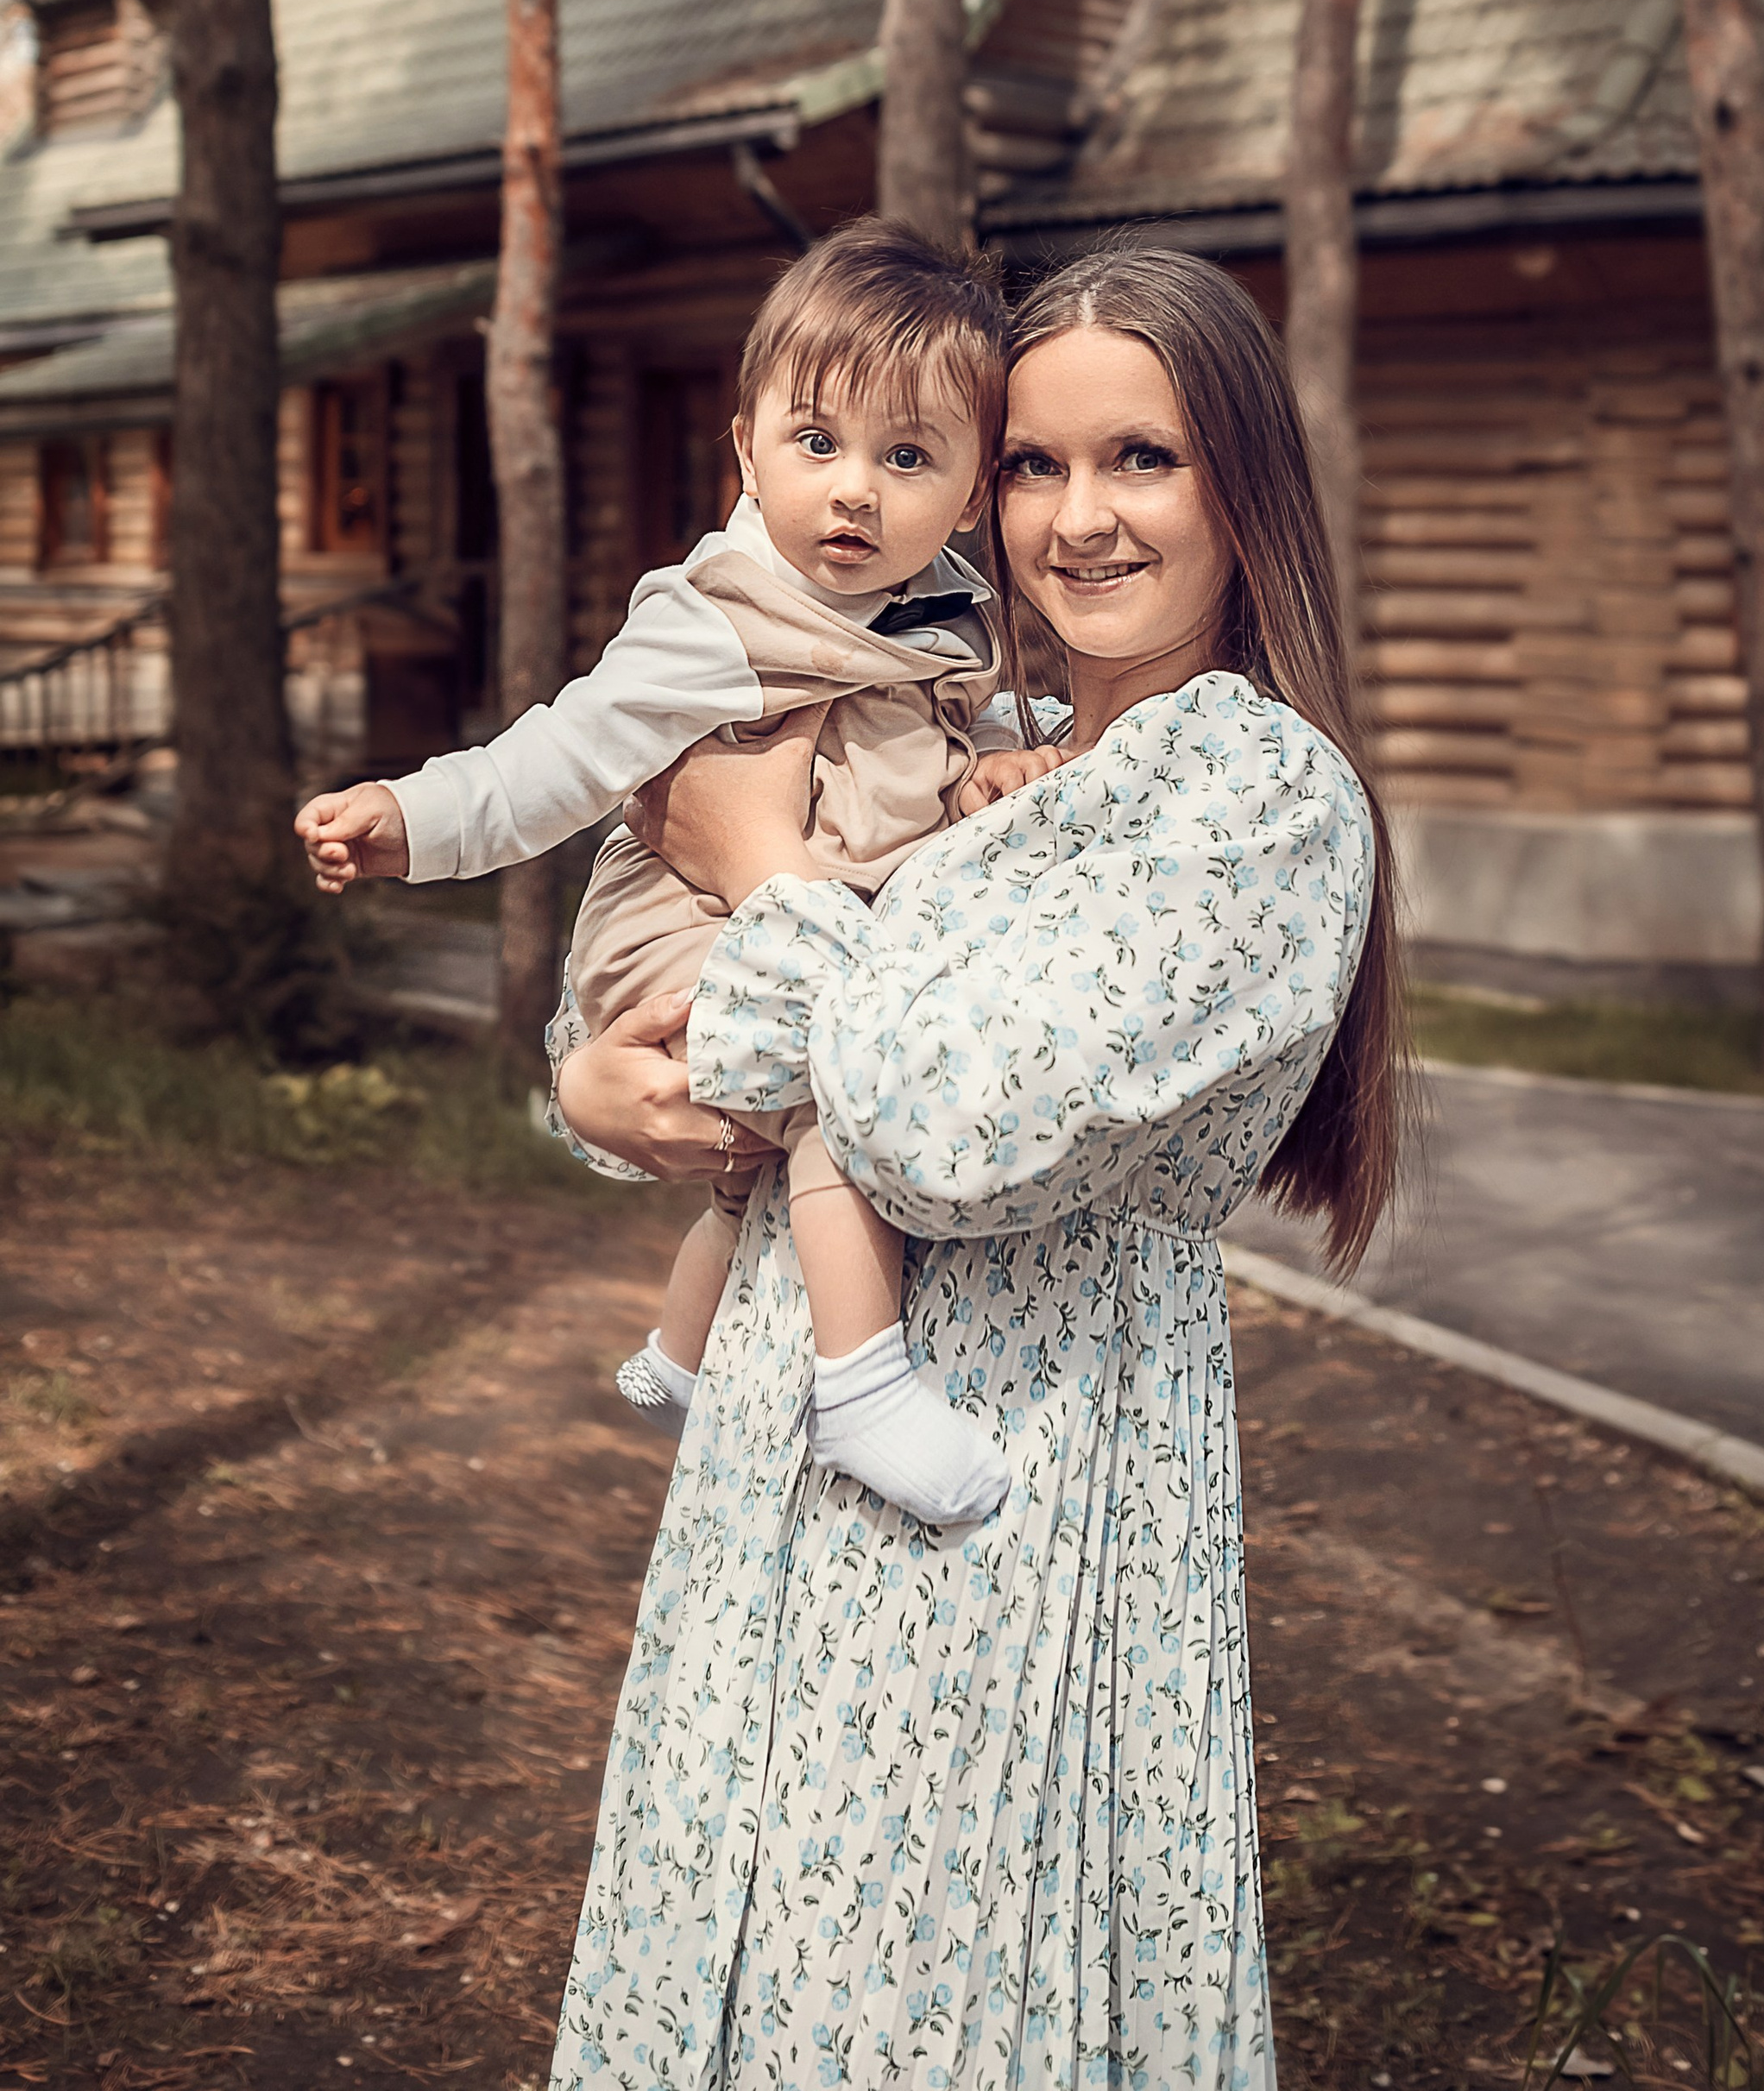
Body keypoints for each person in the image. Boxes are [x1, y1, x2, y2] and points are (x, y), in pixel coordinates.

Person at [546, 240, 1405, 2091]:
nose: (1073, 519)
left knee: (908, 1991)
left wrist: (762, 863)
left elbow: (944, 1131)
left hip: (1008, 1488)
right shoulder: (988, 752)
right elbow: (737, 1043)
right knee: (743, 1946)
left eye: (1139, 460)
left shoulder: (1249, 795)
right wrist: (602, 1090)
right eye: (1029, 464)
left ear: (1244, 484)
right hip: (784, 1450)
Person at [293, 220, 1055, 1524]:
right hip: (683, 924)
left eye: (908, 456)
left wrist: (1002, 756)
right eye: (818, 443)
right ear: (748, 443)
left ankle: (688, 1356)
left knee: (764, 1158)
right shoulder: (716, 622)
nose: (855, 490)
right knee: (836, 1074)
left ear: (973, 492)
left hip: (802, 912)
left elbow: (958, 728)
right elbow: (553, 761)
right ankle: (862, 1382)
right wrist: (404, 819)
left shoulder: (948, 614)